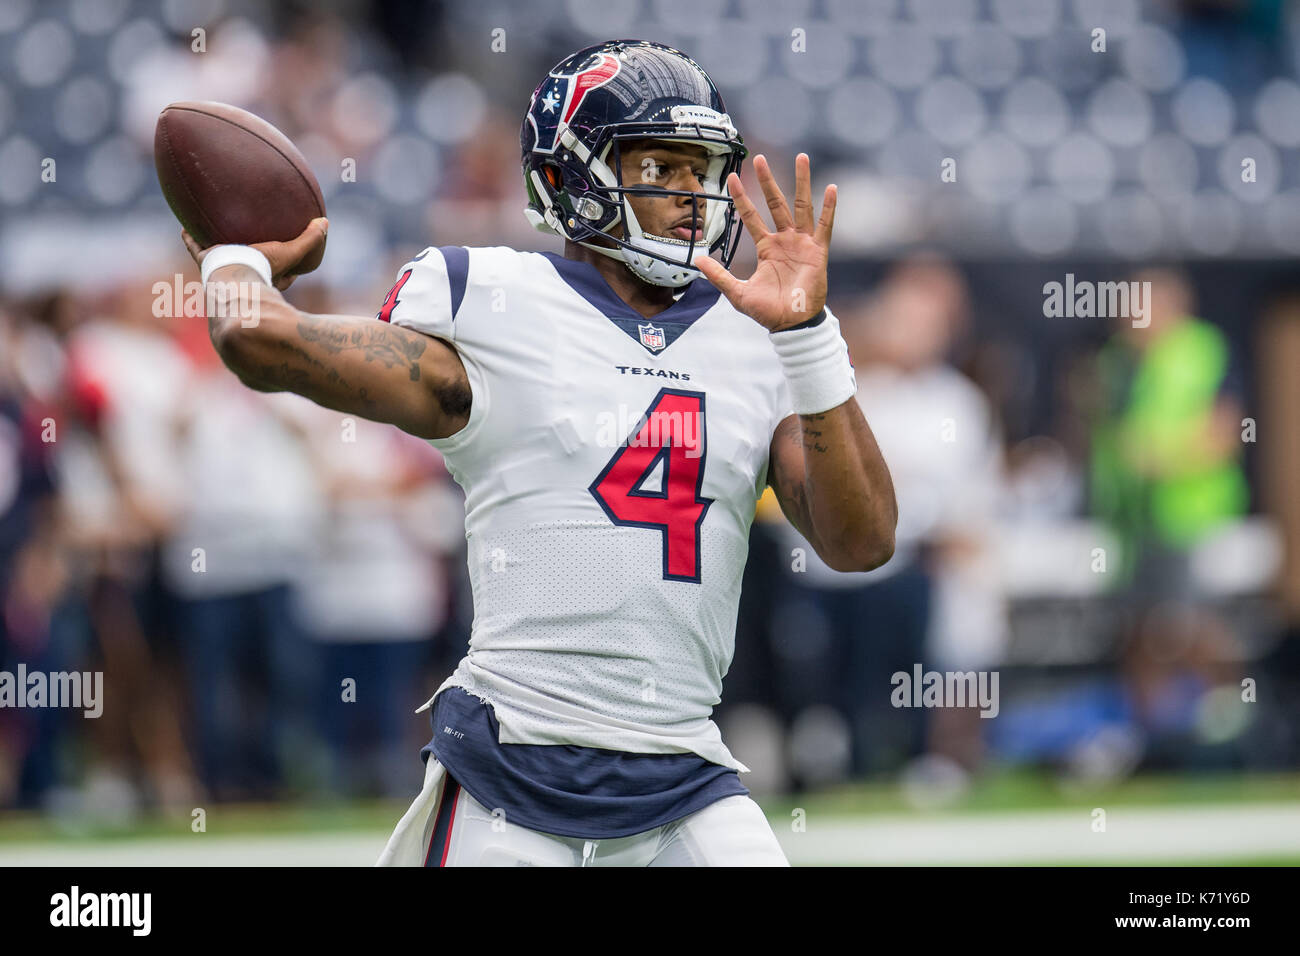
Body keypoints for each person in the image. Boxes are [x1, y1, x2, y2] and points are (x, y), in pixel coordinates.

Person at [181, 40, 896, 867]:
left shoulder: (752, 336)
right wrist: (237, 259)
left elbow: (862, 540)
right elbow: (257, 342)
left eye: (699, 172)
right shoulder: (494, 300)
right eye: (657, 169)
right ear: (565, 181)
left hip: (686, 774)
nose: (690, 200)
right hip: (506, 776)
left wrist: (809, 335)